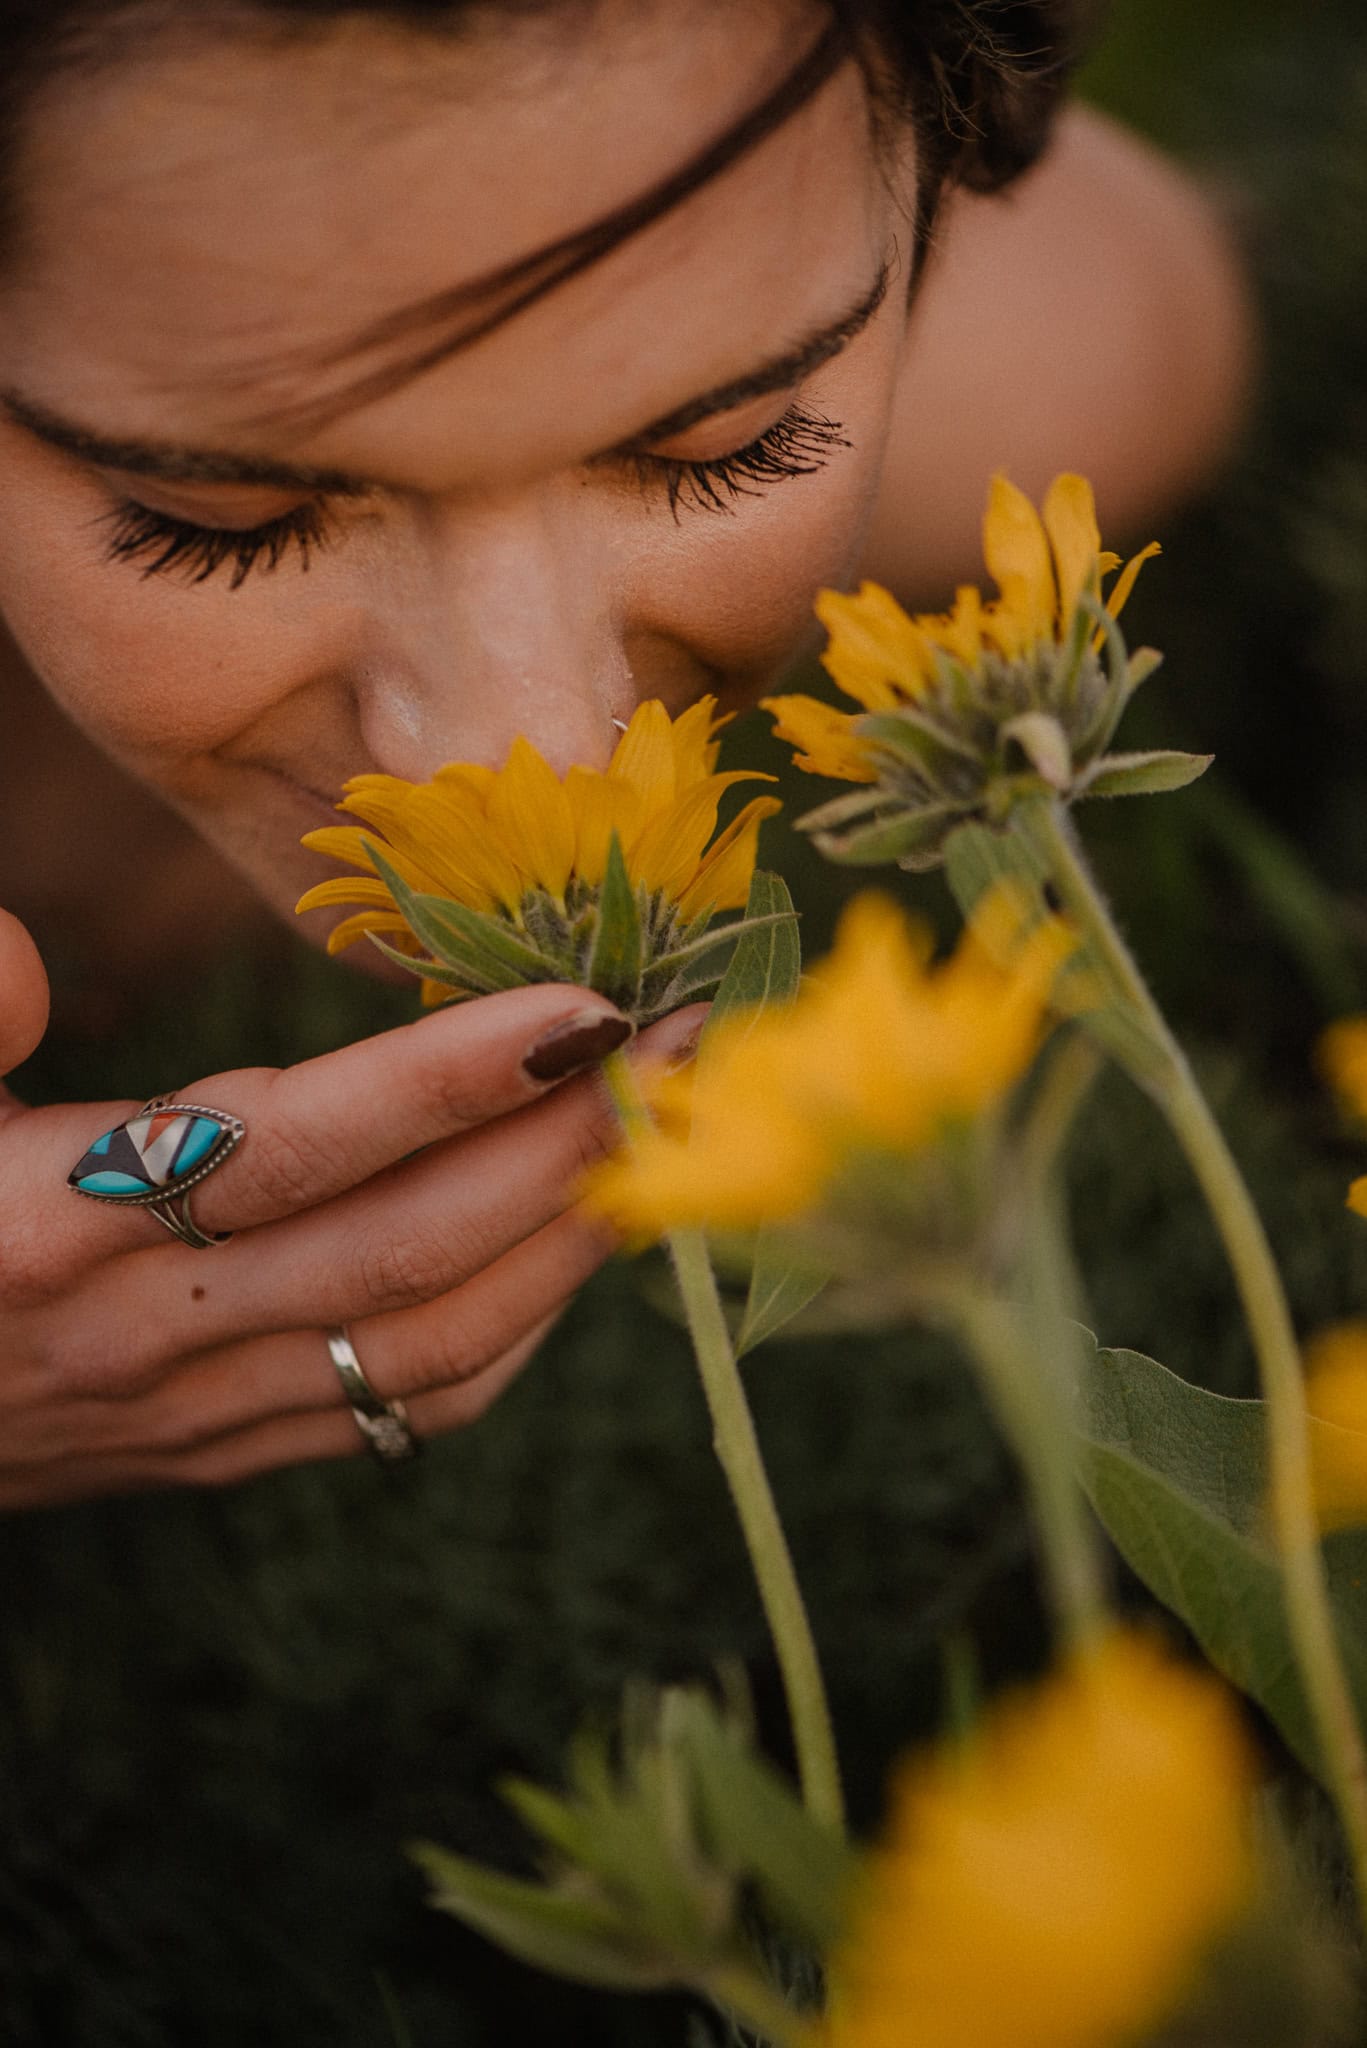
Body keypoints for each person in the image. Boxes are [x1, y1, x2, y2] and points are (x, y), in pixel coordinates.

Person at [0, 0, 1250, 1508]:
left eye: (731, 442)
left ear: (935, 191)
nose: (519, 749)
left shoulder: (1061, 391)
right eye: (219, 523)